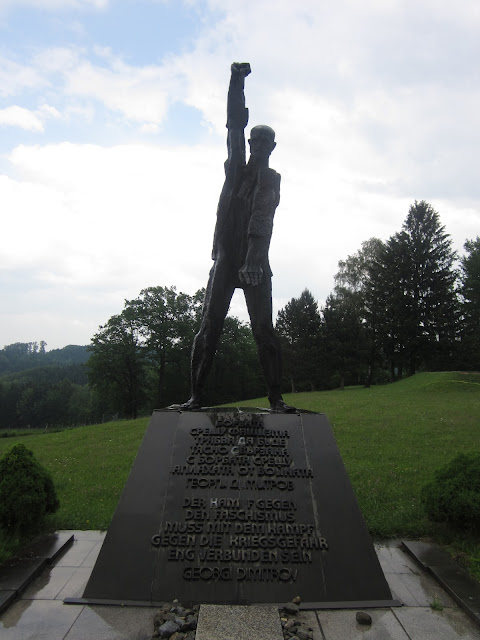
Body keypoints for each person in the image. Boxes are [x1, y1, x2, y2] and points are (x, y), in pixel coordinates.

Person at [182, 62, 295, 413]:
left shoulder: (271, 178)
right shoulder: (234, 170)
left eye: (266, 142)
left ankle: (276, 398)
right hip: (227, 259)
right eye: (255, 140)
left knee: (263, 331)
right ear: (251, 143)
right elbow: (233, 125)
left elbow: (263, 218)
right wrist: (236, 81)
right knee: (208, 327)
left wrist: (253, 262)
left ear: (273, 147)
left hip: (255, 264)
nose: (259, 145)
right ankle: (196, 396)